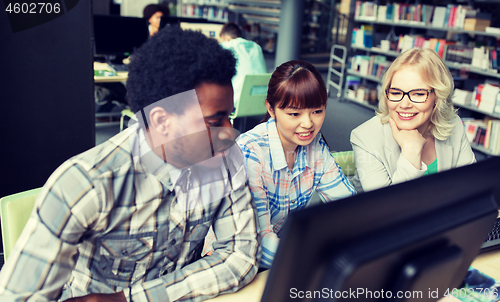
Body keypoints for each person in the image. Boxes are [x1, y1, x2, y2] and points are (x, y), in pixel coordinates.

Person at [0, 26, 260, 302]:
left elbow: (239, 257)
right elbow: (20, 297)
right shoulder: (88, 183)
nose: (229, 133)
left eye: (229, 117)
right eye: (213, 121)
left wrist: (127, 299)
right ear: (161, 121)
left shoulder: (226, 159)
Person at [205, 60, 356, 269]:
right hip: (227, 259)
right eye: (295, 114)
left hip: (275, 255)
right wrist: (314, 261)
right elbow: (258, 238)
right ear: (271, 108)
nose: (308, 123)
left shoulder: (315, 145)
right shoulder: (250, 152)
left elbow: (347, 204)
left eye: (317, 111)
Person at [350, 48, 476, 192]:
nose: (404, 105)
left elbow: (470, 188)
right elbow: (386, 210)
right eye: (396, 92)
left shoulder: (454, 125)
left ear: (438, 97)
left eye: (418, 94)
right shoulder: (365, 137)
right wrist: (410, 151)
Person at [219, 22, 267, 109]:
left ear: (227, 38)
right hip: (261, 103)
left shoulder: (225, 46)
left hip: (237, 104)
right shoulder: (256, 47)